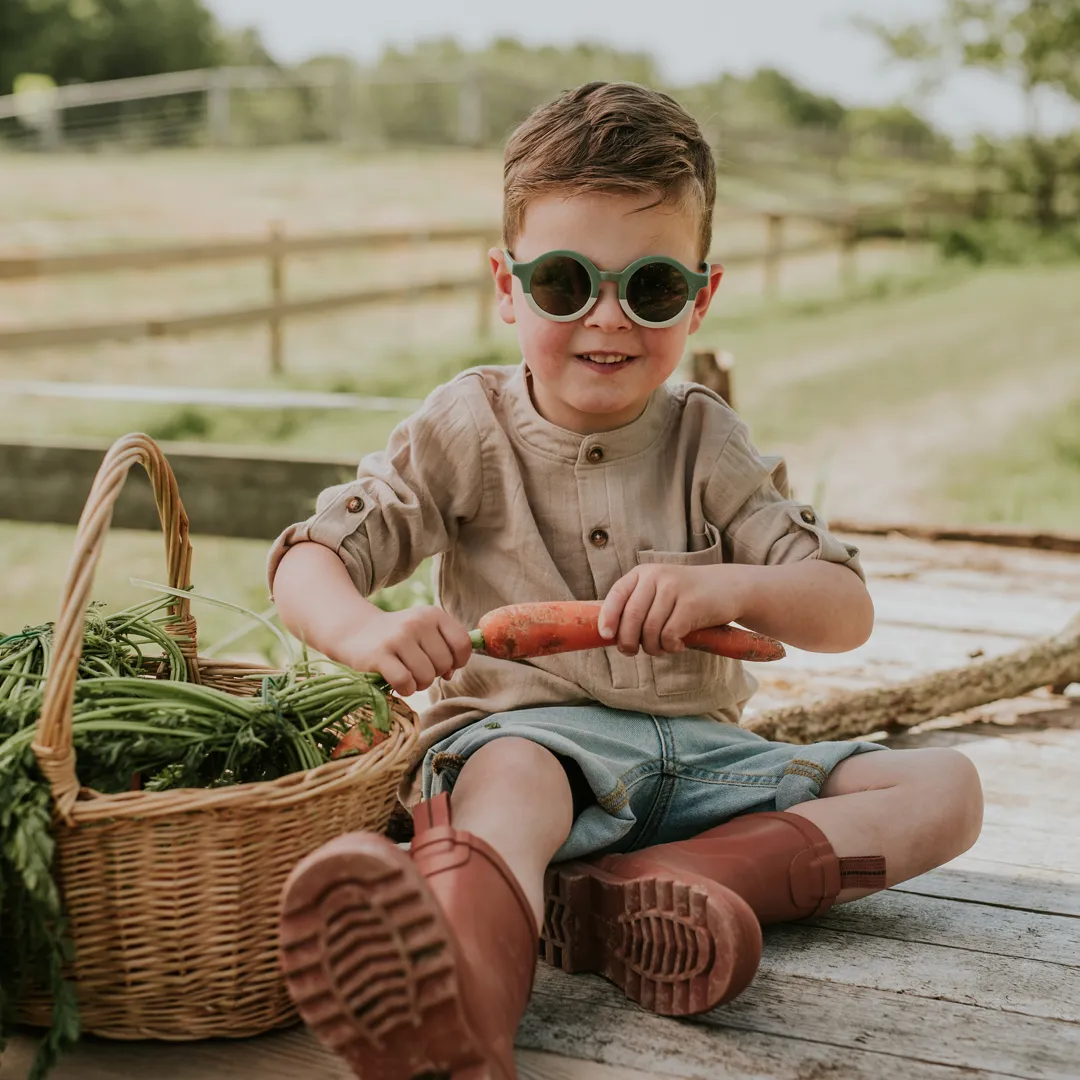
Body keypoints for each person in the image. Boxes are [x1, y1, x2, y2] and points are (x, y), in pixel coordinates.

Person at [268, 82, 984, 1080]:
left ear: (702, 294)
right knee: (511, 785)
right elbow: (311, 559)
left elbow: (843, 608)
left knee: (945, 789)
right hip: (529, 747)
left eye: (651, 290)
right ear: (507, 286)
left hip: (707, 769)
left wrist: (731, 587)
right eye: (566, 283)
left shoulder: (706, 437)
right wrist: (362, 631)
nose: (608, 320)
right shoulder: (463, 429)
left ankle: (659, 889)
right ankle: (464, 1023)